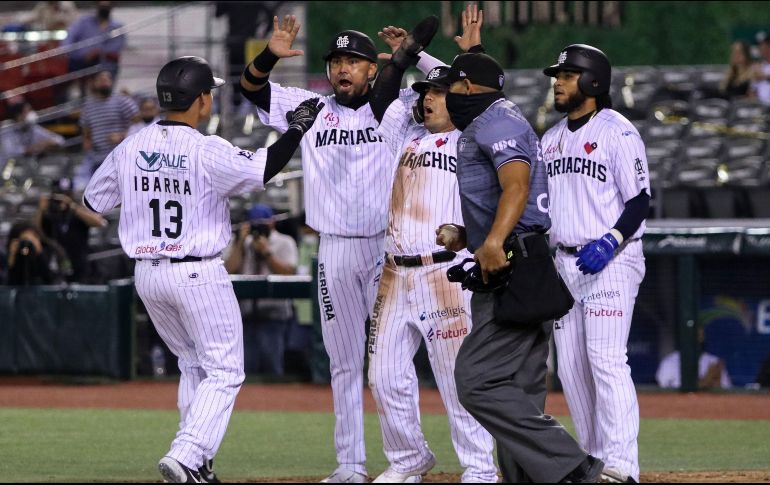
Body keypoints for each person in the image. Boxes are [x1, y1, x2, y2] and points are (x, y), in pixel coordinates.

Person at [83, 55, 324, 483]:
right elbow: (263, 168)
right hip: (196, 272)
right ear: (200, 100)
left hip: (148, 274)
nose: (209, 98)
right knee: (226, 370)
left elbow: (93, 202)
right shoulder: (205, 148)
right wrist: (297, 128)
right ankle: (188, 454)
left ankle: (199, 462)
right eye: (207, 92)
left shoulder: (131, 145)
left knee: (193, 363)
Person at [239, 16, 441, 483]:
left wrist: (415, 55)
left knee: (392, 364)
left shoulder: (398, 106)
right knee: (343, 362)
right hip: (333, 250)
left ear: (373, 69)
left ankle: (407, 460)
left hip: (387, 249)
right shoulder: (310, 106)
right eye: (335, 61)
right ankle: (350, 464)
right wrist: (269, 54)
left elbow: (457, 89)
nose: (342, 69)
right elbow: (251, 88)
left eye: (353, 61)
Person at [440, 51, 605, 483]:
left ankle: (574, 467)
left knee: (476, 380)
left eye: (450, 86)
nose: (447, 96)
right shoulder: (499, 118)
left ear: (467, 87)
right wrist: (472, 235)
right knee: (520, 385)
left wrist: (494, 240)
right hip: (522, 255)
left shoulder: (496, 123)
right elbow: (514, 198)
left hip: (514, 264)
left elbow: (516, 184)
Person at [363, 9, 496, 484]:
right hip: (395, 273)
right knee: (383, 375)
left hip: (447, 272)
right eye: (426, 93)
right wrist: (405, 56)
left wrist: (440, 55)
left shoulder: (474, 137)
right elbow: (383, 94)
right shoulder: (405, 133)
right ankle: (408, 459)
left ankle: (480, 467)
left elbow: (484, 91)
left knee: (456, 376)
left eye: (438, 92)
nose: (428, 99)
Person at [541, 44, 651, 484]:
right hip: (565, 263)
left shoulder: (617, 131)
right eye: (558, 75)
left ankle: (623, 466)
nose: (557, 82)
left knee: (605, 359)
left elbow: (639, 200)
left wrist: (611, 239)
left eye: (566, 75)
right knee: (571, 370)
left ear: (592, 81)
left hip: (613, 259)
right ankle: (595, 462)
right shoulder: (550, 139)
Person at [224, 203, 299, 375]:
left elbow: (289, 273)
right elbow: (229, 270)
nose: (258, 229)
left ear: (272, 222)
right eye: (254, 224)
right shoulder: (242, 242)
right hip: (244, 314)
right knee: (244, 368)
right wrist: (240, 242)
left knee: (272, 366)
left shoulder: (284, 241)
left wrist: (266, 253)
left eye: (262, 224)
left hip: (273, 313)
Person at [75, 70, 138, 190]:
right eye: (102, 80)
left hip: (120, 155)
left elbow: (139, 121)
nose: (105, 83)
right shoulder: (88, 105)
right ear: (94, 83)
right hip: (97, 156)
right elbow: (85, 128)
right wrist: (87, 141)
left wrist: (122, 135)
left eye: (108, 80)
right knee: (86, 185)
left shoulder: (121, 100)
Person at [35, 177, 106, 283]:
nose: (62, 199)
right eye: (59, 195)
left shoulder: (78, 211)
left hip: (79, 264)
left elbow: (100, 223)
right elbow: (35, 230)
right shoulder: (48, 213)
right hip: (54, 264)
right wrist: (41, 209)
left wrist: (72, 206)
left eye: (67, 195)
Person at [63, 1, 125, 83]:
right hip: (79, 60)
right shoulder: (83, 22)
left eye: (106, 7)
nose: (104, 9)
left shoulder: (117, 27)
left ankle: (103, 88)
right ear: (97, 5)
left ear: (111, 7)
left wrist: (96, 53)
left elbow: (115, 48)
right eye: (102, 6)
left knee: (105, 69)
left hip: (103, 62)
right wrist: (65, 50)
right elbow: (70, 36)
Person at [655, 328, 732, 390]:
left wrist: (715, 381)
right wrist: (707, 380)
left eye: (699, 334)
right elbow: (667, 393)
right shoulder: (669, 361)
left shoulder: (714, 361)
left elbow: (725, 391)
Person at [0, 99, 65, 163]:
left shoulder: (33, 128)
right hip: (7, 166)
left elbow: (60, 140)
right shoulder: (7, 130)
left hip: (28, 165)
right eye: (28, 111)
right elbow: (10, 152)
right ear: (19, 116)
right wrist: (30, 149)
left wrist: (47, 143)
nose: (32, 113)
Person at [5, 221, 64, 286]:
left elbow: (53, 280)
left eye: (31, 239)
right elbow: (5, 283)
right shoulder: (7, 254)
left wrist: (40, 254)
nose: (27, 245)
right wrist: (11, 259)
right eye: (24, 240)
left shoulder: (51, 250)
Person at [753, 33, 770, 106]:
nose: (762, 49)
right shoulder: (758, 67)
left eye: (766, 46)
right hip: (760, 106)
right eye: (760, 46)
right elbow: (753, 90)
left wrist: (764, 77)